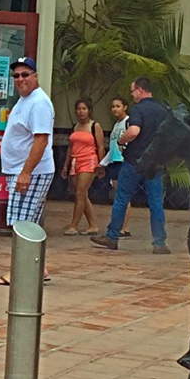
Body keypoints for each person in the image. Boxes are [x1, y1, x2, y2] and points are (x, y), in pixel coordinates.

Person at [0, 56, 55, 286]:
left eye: (25, 74)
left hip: (30, 172)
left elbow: (41, 141)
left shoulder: (39, 103)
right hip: (21, 170)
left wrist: (26, 172)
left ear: (35, 76)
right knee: (32, 224)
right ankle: (40, 267)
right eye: (16, 76)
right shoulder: (24, 101)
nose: (20, 79)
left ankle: (19, 272)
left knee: (22, 225)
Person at [91, 77, 169, 253]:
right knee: (156, 203)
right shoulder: (162, 111)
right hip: (155, 163)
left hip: (134, 161)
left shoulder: (137, 110)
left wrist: (121, 139)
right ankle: (159, 242)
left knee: (121, 199)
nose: (132, 94)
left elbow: (134, 131)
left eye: (133, 91)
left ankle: (112, 237)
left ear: (140, 90)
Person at [62, 98, 105, 235]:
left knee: (80, 193)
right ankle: (93, 225)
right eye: (79, 109)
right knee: (81, 194)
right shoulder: (75, 127)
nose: (81, 112)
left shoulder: (95, 126)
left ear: (90, 111)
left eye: (84, 109)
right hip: (75, 161)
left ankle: (73, 225)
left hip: (89, 161)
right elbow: (71, 147)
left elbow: (100, 146)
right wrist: (66, 165)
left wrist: (101, 164)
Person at [97, 96, 132, 237]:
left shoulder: (128, 122)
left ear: (125, 107)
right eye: (113, 106)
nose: (115, 109)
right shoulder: (116, 124)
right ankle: (119, 225)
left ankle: (124, 227)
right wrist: (103, 163)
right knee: (118, 195)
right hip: (114, 162)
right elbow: (112, 149)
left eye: (118, 106)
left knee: (123, 195)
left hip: (123, 162)